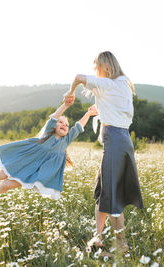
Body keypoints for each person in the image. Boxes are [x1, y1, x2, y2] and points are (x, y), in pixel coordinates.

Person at [64, 51, 144, 254]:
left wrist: (70, 93)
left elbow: (77, 78)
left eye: (96, 68)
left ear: (105, 67)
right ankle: (98, 238)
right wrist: (102, 110)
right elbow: (120, 113)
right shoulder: (122, 84)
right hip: (122, 139)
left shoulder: (108, 84)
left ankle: (122, 245)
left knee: (112, 194)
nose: (95, 72)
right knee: (103, 191)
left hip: (115, 141)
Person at [0, 98, 98, 199]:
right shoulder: (48, 133)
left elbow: (78, 126)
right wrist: (65, 105)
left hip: (34, 172)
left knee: (7, 185)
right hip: (25, 160)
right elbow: (54, 117)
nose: (64, 125)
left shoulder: (66, 141)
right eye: (61, 123)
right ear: (54, 126)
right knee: (1, 174)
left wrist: (88, 113)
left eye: (66, 125)